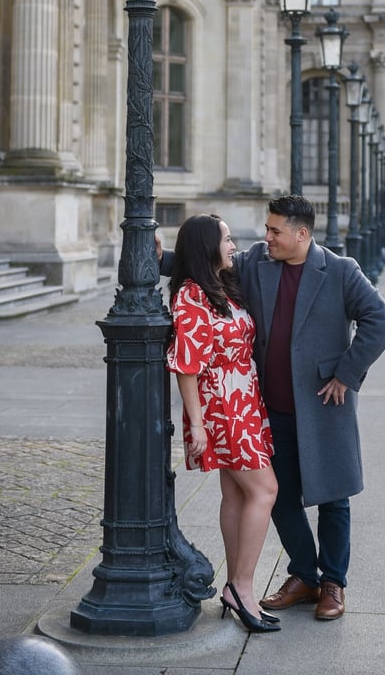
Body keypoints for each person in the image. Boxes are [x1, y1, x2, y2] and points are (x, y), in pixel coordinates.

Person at [161, 196, 385, 622]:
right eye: (266, 230)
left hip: (324, 403)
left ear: (301, 234)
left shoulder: (341, 271)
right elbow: (203, 259)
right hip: (267, 406)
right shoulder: (257, 264)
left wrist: (346, 373)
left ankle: (333, 584)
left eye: (274, 231)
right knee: (279, 495)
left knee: (333, 497)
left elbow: (380, 320)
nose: (265, 238)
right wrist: (158, 255)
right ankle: (304, 575)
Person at [166, 214, 280, 634]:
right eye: (227, 239)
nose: (234, 245)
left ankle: (236, 584)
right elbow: (186, 367)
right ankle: (243, 588)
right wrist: (197, 425)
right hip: (222, 407)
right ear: (206, 247)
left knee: (236, 494)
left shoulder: (220, 287)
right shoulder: (192, 295)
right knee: (266, 490)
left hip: (244, 401)